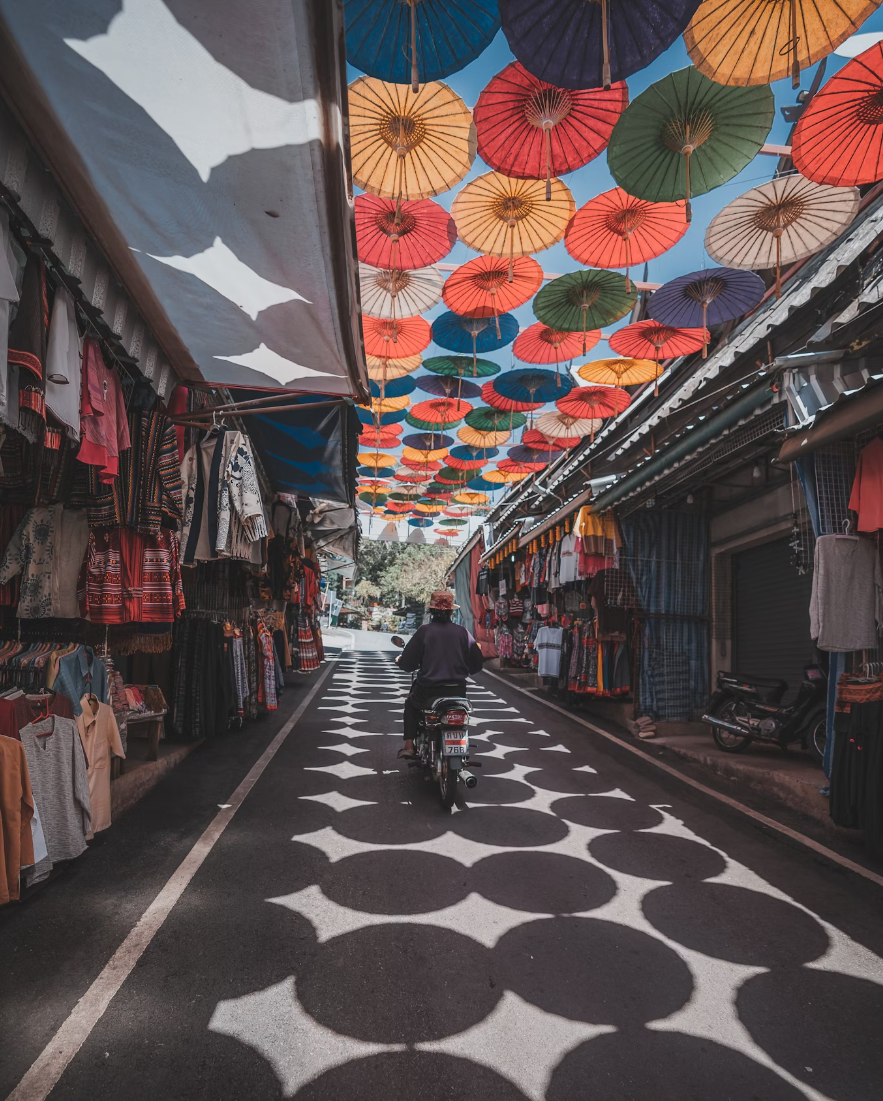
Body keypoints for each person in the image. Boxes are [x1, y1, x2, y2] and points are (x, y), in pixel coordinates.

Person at [396, 590, 484, 759]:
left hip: (428, 690)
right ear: (451, 611)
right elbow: (477, 664)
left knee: (411, 705)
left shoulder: (424, 631)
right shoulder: (462, 633)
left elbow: (408, 664)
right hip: (457, 691)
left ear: (431, 611)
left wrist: (401, 661)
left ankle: (409, 746)